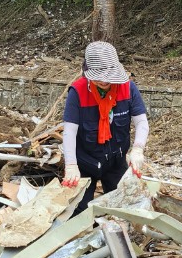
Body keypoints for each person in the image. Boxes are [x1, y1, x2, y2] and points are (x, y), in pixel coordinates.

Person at [61, 42, 149, 211]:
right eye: (98, 76)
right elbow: (70, 132)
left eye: (109, 76)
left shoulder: (128, 88)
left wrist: (138, 149)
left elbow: (141, 122)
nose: (104, 81)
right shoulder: (78, 92)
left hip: (116, 161)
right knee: (79, 212)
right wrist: (71, 164)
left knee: (122, 209)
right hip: (84, 162)